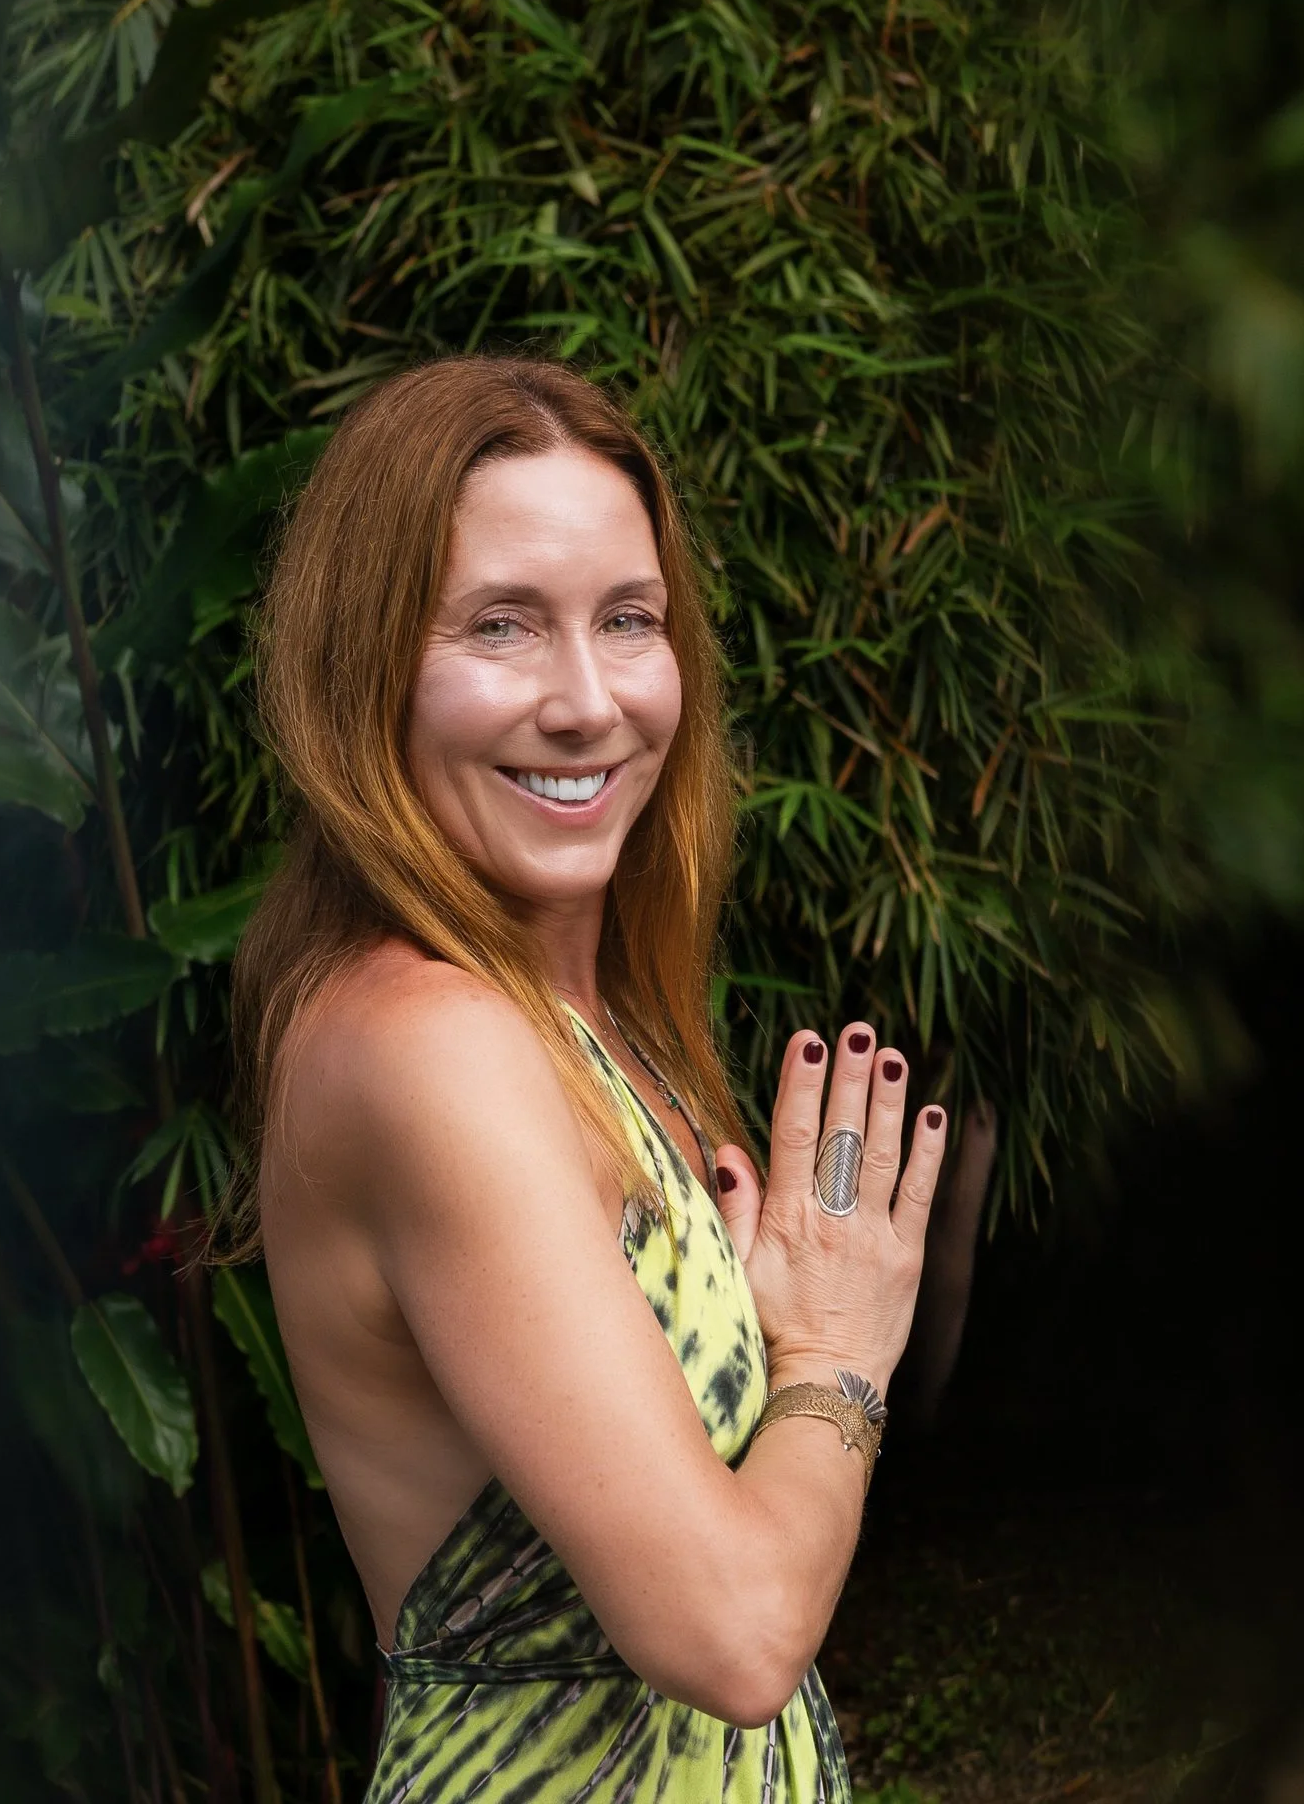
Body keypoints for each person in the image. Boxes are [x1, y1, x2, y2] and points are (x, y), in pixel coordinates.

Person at [228, 357, 946, 1802]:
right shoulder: (427, 1043)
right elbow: (735, 1634)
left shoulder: (583, 1023)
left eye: (629, 621)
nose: (586, 701)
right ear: (366, 666)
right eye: (502, 626)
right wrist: (836, 1363)